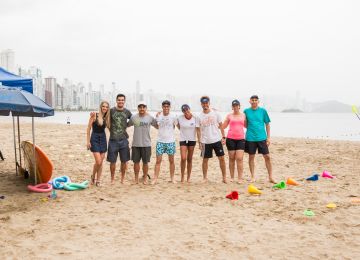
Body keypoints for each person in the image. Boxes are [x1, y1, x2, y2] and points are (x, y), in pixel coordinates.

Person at [244, 95, 275, 183]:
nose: (254, 101)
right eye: (252, 100)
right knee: (251, 157)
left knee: (267, 157)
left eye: (255, 100)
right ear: (250, 101)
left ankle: (270, 177)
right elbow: (245, 125)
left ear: (258, 101)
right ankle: (253, 176)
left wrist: (268, 137)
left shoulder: (263, 111)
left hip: (262, 138)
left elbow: (267, 124)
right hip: (250, 138)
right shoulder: (246, 111)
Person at [197, 96, 227, 183]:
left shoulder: (215, 113)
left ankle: (224, 177)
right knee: (205, 160)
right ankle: (205, 178)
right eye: (203, 103)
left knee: (221, 158)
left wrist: (223, 137)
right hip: (205, 141)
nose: (205, 104)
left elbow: (221, 125)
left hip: (217, 139)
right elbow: (198, 130)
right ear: (201, 104)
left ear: (209, 103)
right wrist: (199, 142)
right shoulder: (199, 116)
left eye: (206, 103)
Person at [127, 101, 158, 184]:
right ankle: (136, 178)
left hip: (146, 144)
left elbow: (158, 126)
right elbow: (127, 125)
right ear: (138, 108)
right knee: (136, 162)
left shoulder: (150, 118)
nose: (142, 108)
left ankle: (145, 178)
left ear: (146, 108)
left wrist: (159, 117)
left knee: (145, 162)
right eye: (140, 107)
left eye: (143, 107)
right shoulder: (133, 117)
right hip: (136, 144)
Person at [107, 94, 132, 184]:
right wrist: (110, 129)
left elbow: (134, 120)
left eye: (122, 100)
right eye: (119, 100)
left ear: (124, 101)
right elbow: (105, 119)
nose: (120, 101)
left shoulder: (127, 112)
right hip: (113, 140)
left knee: (124, 161)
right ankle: (112, 179)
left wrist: (125, 127)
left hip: (124, 140)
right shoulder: (111, 111)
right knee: (112, 161)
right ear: (116, 101)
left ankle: (122, 179)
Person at [152, 100, 178, 184]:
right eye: (164, 106)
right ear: (162, 107)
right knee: (158, 161)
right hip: (160, 141)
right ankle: (155, 179)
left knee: (171, 161)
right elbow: (157, 126)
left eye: (167, 106)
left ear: (170, 107)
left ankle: (172, 178)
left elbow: (176, 126)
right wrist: (156, 117)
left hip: (170, 141)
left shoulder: (174, 116)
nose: (166, 108)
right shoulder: (159, 116)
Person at [86, 101, 110, 186]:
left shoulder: (107, 118)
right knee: (98, 161)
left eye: (106, 107)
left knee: (101, 162)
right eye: (103, 106)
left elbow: (110, 128)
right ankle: (93, 176)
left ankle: (98, 180)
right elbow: (88, 129)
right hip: (94, 139)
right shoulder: (94, 115)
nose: (105, 108)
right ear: (100, 107)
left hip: (103, 139)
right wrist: (88, 141)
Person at [222, 99, 246, 183]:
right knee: (231, 158)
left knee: (239, 158)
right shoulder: (229, 116)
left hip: (241, 139)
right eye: (234, 105)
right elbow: (223, 126)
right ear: (232, 107)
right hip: (230, 139)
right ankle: (232, 177)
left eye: (237, 105)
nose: (235, 107)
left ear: (239, 106)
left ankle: (240, 178)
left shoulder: (243, 115)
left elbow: (247, 126)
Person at [177, 104, 200, 183]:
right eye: (184, 110)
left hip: (192, 140)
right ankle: (182, 177)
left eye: (187, 109)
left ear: (189, 109)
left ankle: (188, 177)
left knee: (189, 159)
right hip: (183, 139)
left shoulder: (195, 117)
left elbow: (198, 130)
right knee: (183, 158)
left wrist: (199, 141)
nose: (186, 111)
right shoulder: (180, 118)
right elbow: (177, 125)